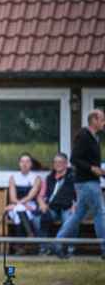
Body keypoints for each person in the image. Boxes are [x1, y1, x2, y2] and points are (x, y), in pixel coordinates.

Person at [53, 109, 105, 259]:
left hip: (87, 182)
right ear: (94, 120)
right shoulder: (84, 136)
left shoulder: (93, 138)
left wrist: (99, 171)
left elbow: (88, 160)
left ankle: (56, 244)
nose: (104, 123)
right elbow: (74, 158)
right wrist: (92, 169)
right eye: (102, 120)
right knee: (100, 213)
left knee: (78, 215)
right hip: (87, 183)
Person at [36, 152, 77, 256]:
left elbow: (81, 196)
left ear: (66, 163)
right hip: (52, 209)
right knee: (37, 219)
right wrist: (42, 203)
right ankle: (43, 248)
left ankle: (70, 248)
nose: (58, 164)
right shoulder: (49, 178)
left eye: (60, 162)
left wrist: (75, 206)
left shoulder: (73, 177)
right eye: (56, 162)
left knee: (73, 219)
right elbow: (40, 196)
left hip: (67, 209)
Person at [6, 153, 41, 255]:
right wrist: (21, 205)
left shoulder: (36, 178)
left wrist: (19, 205)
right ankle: (29, 232)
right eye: (22, 161)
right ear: (19, 164)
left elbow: (31, 196)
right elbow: (13, 197)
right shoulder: (13, 177)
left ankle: (21, 248)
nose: (24, 164)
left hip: (30, 206)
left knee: (18, 215)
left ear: (31, 164)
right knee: (19, 211)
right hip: (18, 206)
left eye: (27, 161)